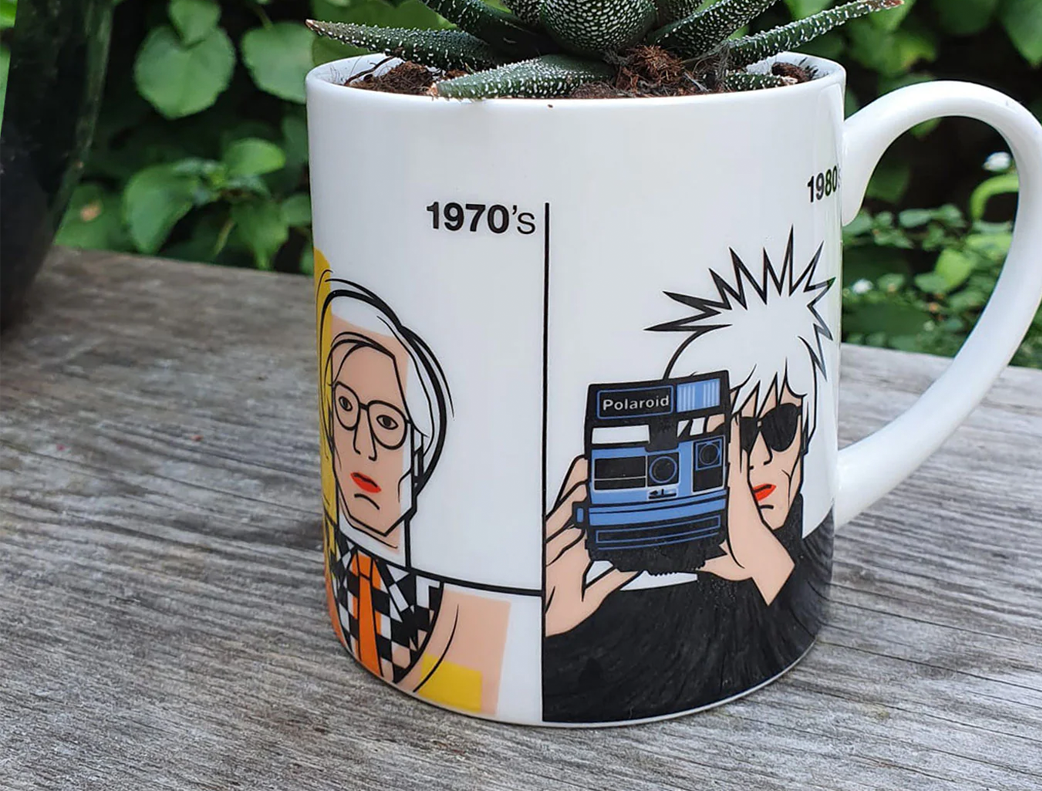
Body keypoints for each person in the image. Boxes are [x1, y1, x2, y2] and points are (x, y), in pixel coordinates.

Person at [543, 234, 836, 722]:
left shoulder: (800, 550)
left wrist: (763, 558)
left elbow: (785, 610)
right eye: (729, 437)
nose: (755, 458)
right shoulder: (635, 592)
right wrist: (552, 626)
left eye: (780, 426)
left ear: (807, 435)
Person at [316, 259, 510, 716]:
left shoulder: (469, 615)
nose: (362, 443)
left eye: (387, 422)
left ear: (422, 453)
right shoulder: (348, 573)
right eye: (345, 406)